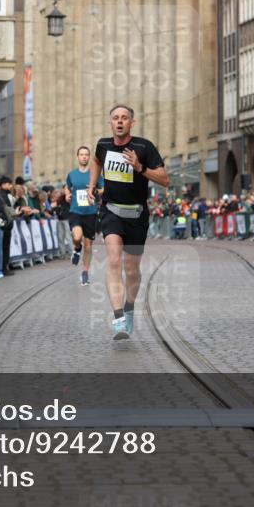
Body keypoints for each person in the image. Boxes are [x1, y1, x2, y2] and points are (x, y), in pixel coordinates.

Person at [87, 104, 169, 340]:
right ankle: (119, 318)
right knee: (114, 260)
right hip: (111, 212)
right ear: (110, 123)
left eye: (124, 118)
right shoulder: (103, 145)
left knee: (132, 270)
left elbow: (165, 180)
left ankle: (130, 306)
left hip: (137, 215)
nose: (120, 121)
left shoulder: (144, 147)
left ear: (132, 123)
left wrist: (140, 167)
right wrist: (93, 184)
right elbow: (96, 161)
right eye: (115, 118)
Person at [64, 146, 103, 286]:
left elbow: (103, 188)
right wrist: (68, 194)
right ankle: (76, 248)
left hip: (90, 213)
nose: (84, 157)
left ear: (89, 157)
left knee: (88, 246)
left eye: (86, 154)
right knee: (77, 237)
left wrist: (95, 191)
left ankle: (85, 272)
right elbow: (67, 186)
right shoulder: (72, 174)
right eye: (81, 154)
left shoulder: (95, 174)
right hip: (75, 211)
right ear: (78, 157)